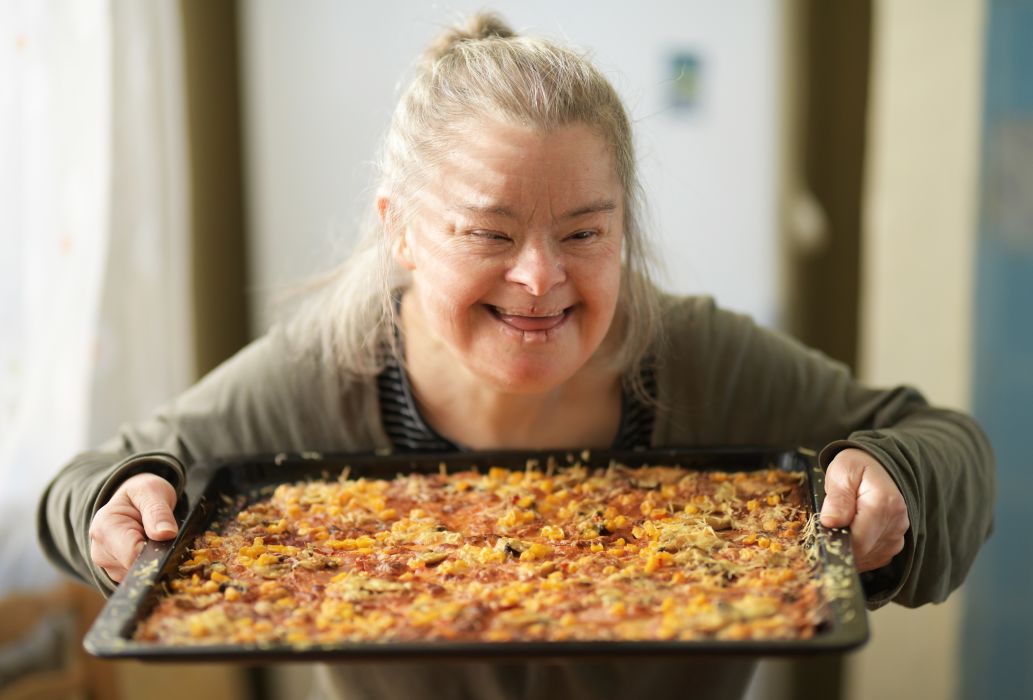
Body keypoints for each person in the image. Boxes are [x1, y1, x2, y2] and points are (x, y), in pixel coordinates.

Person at [38, 12, 994, 700]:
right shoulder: (322, 377)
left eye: (583, 233)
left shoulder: (698, 359)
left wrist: (894, 473)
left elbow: (946, 445)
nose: (539, 279)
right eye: (488, 234)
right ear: (401, 233)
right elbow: (85, 487)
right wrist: (116, 501)